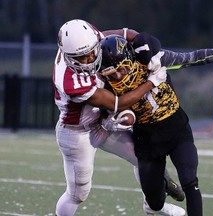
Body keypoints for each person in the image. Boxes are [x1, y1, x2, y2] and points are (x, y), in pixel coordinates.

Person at [99, 33, 213, 216]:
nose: (118, 75)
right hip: (147, 139)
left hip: (175, 129)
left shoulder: (154, 60)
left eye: (121, 69)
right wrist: (108, 121)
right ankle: (164, 186)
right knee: (155, 203)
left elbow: (193, 58)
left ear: (130, 58)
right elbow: (102, 113)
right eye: (111, 73)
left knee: (190, 181)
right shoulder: (106, 86)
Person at [53, 19, 185, 216]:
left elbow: (126, 33)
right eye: (82, 57)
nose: (90, 59)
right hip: (77, 132)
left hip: (103, 121)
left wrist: (147, 49)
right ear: (69, 56)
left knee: (146, 158)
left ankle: (154, 205)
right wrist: (152, 81)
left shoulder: (92, 39)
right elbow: (117, 103)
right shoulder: (70, 81)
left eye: (91, 52)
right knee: (78, 193)